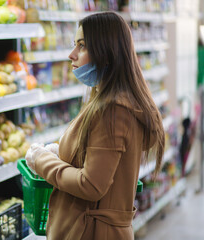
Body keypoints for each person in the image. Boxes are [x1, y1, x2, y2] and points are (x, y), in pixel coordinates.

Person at [25, 12, 165, 240]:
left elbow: (91, 185)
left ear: (107, 53)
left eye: (82, 46)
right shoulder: (110, 100)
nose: (72, 55)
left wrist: (41, 160)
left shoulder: (113, 110)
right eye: (74, 44)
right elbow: (104, 164)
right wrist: (61, 153)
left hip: (91, 231)